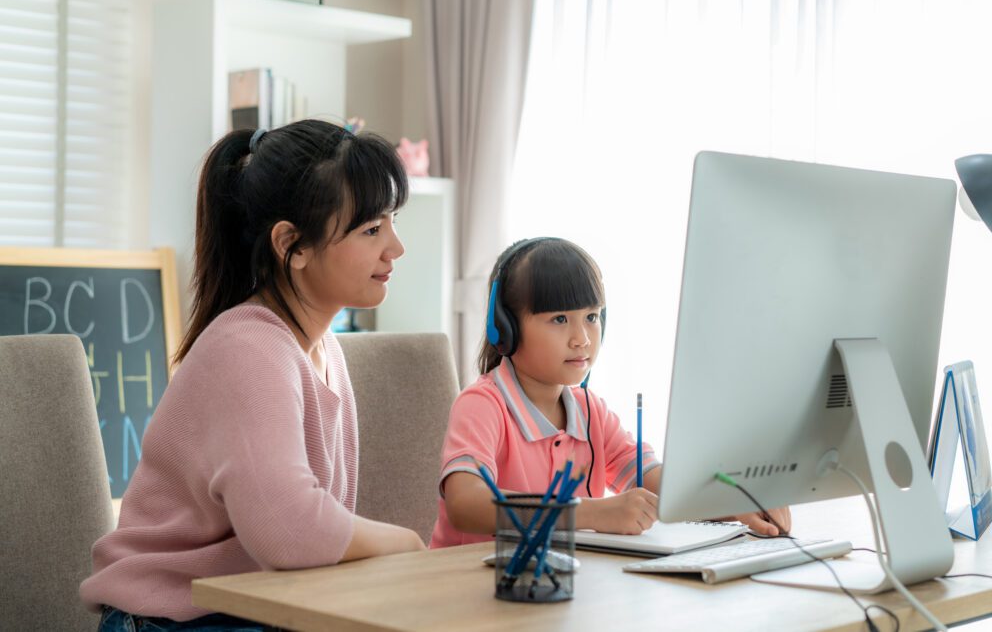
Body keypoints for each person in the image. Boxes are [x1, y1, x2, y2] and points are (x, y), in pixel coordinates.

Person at [81, 120, 426, 630]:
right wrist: (410, 543)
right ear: (293, 245)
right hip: (172, 620)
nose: (395, 248)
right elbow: (289, 531)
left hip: (250, 609)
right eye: (372, 229)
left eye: (392, 221)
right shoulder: (247, 349)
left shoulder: (322, 346)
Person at [430, 237, 791, 548]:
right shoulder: (483, 405)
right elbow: (467, 504)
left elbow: (656, 480)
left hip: (553, 591)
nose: (582, 338)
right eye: (559, 319)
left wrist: (731, 504)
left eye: (591, 317)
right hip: (470, 592)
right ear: (504, 327)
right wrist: (593, 512)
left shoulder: (589, 412)